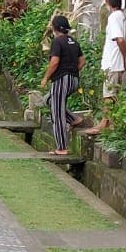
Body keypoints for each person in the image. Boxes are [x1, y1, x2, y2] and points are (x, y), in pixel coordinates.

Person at [39, 16, 85, 156]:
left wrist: (46, 78)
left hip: (61, 80)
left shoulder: (57, 42)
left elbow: (54, 62)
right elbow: (82, 61)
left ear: (55, 28)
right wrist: (72, 71)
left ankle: (61, 148)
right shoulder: (74, 42)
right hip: (74, 80)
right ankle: (74, 119)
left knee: (57, 113)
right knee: (49, 100)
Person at [85, 0, 126, 134]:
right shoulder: (121, 16)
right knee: (113, 94)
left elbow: (120, 39)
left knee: (109, 95)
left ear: (108, 2)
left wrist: (125, 56)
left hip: (113, 62)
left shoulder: (114, 17)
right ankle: (111, 123)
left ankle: (105, 122)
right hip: (115, 62)